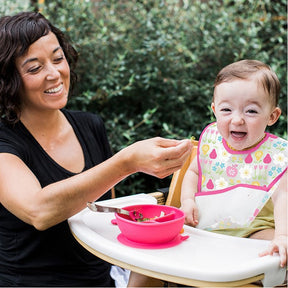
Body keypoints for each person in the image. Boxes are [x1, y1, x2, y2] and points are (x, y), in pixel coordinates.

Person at [0, 11, 192, 286]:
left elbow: (103, 215)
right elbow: (38, 211)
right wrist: (127, 162)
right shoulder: (5, 142)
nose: (54, 74)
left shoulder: (90, 126)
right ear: (8, 81)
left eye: (58, 59)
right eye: (34, 68)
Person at [181, 59, 287, 269]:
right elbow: (194, 173)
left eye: (251, 111)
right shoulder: (212, 142)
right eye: (227, 110)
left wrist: (283, 235)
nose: (237, 119)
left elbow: (284, 197)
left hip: (254, 230)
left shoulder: (276, 156)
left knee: (275, 256)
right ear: (214, 109)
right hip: (203, 226)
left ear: (272, 116)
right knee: (155, 247)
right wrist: (187, 201)